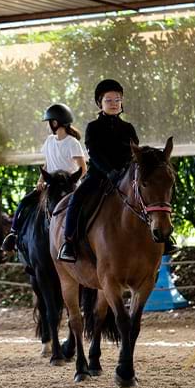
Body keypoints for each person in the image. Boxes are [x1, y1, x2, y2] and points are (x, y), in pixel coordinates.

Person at [59, 79, 139, 263]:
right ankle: (69, 243)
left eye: (117, 100)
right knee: (76, 199)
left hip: (125, 175)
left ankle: (161, 238)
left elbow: (134, 152)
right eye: (109, 100)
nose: (114, 104)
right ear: (99, 103)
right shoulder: (93, 127)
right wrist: (109, 171)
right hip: (99, 175)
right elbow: (93, 152)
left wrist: (125, 170)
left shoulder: (128, 128)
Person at [1, 103, 87, 255]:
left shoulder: (72, 143)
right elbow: (47, 164)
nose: (48, 126)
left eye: (49, 123)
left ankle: (78, 240)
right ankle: (13, 234)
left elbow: (83, 168)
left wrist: (70, 184)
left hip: (68, 185)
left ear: (54, 123)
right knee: (25, 202)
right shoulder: (49, 141)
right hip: (51, 185)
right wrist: (40, 180)